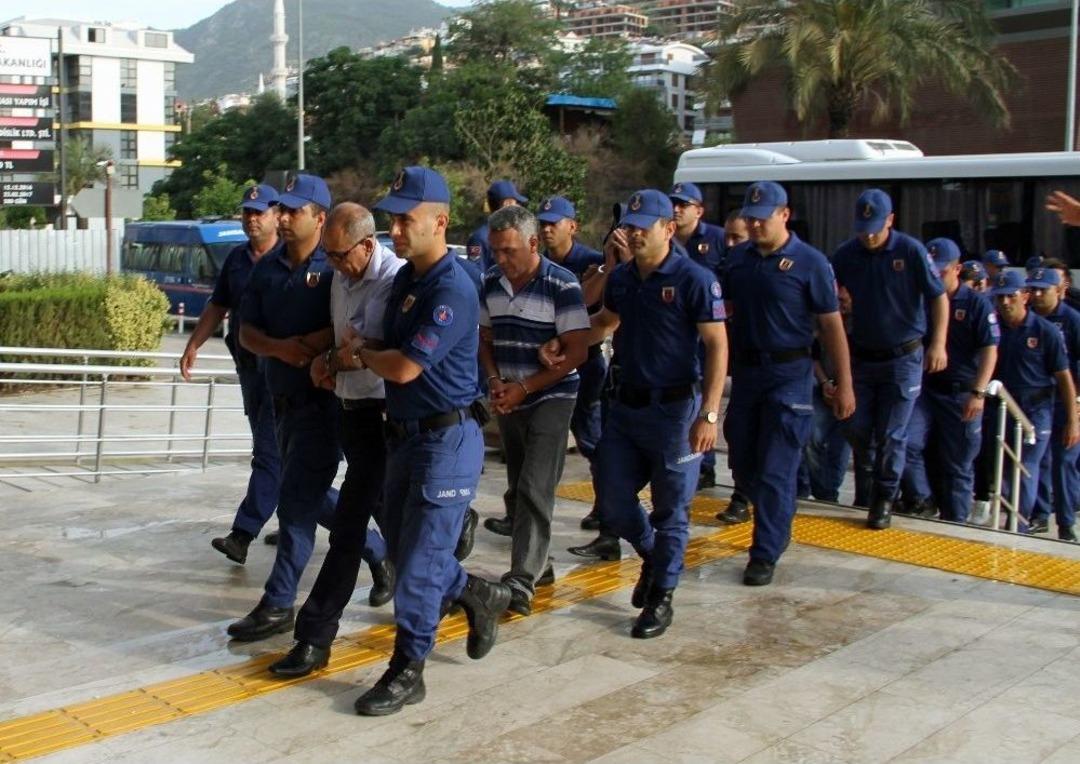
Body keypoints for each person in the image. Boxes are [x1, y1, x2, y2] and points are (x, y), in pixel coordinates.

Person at [347, 166, 511, 716]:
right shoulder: (406, 282)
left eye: (406, 219)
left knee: (416, 569)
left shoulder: (451, 287)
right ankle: (476, 593)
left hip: (447, 440)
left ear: (440, 222)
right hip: (404, 439)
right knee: (403, 550)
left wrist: (361, 355)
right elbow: (384, 343)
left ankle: (407, 670)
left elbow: (405, 367)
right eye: (393, 218)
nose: (396, 229)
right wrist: (362, 347)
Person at [230, 175, 389, 642]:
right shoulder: (267, 267)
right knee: (304, 494)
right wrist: (282, 350)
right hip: (277, 398)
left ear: (320, 218)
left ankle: (279, 603)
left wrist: (311, 349)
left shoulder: (336, 268)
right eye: (280, 210)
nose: (281, 218)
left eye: (292, 211)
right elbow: (246, 332)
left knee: (296, 503)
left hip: (324, 402)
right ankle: (377, 550)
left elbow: (348, 326)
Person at [267, 203, 402, 677]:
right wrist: (331, 359)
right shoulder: (343, 275)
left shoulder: (392, 280)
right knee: (401, 532)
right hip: (351, 410)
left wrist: (329, 362)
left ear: (367, 246)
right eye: (328, 256)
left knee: (348, 530)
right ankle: (468, 591)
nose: (333, 266)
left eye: (340, 256)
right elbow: (343, 343)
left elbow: (366, 349)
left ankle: (314, 635)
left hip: (385, 418)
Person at [587, 189, 728, 639]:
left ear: (668, 229)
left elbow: (717, 345)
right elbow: (605, 322)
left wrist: (708, 413)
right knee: (612, 500)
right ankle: (652, 554)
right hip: (626, 408)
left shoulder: (694, 279)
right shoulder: (624, 278)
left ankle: (661, 595)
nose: (633, 235)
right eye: (628, 227)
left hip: (675, 411)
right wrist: (563, 343)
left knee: (672, 511)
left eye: (642, 227)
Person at [723, 181, 854, 585]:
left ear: (784, 215)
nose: (756, 226)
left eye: (763, 219)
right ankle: (777, 520)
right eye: (750, 219)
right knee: (743, 462)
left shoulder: (810, 262)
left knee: (778, 466)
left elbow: (832, 327)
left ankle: (765, 550)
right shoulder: (737, 261)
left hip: (789, 375)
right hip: (746, 374)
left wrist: (843, 382)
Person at [478, 205, 590, 615]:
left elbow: (578, 350)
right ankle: (539, 566)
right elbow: (484, 340)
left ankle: (521, 580)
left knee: (534, 487)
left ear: (531, 243)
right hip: (510, 395)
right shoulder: (490, 282)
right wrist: (495, 383)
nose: (501, 260)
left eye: (508, 251)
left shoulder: (561, 284)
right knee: (517, 484)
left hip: (551, 396)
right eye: (495, 252)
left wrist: (526, 387)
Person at [832, 188, 948, 530]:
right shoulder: (846, 255)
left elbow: (938, 297)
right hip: (864, 356)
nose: (868, 236)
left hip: (904, 356)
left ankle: (883, 497)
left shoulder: (910, 251)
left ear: (890, 221)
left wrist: (938, 343)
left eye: (875, 228)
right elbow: (828, 295)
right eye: (863, 228)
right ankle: (875, 479)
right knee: (855, 425)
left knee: (892, 434)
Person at [181, 184, 282, 564]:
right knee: (273, 451)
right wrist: (193, 345)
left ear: (276, 215)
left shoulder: (291, 259)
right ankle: (293, 520)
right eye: (246, 212)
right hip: (249, 371)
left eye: (259, 212)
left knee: (270, 454)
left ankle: (243, 532)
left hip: (282, 372)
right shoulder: (236, 260)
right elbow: (217, 305)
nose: (251, 219)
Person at [900, 238, 999, 523]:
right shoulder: (921, 299)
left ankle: (956, 524)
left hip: (961, 394)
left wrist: (979, 392)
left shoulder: (977, 304)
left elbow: (990, 350)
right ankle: (922, 498)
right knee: (905, 442)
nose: (934, 277)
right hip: (926, 390)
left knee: (958, 464)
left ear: (957, 270)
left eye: (940, 272)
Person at [984, 269, 1079, 531]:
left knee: (1027, 465)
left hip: (1037, 409)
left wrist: (1073, 420)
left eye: (1011, 296)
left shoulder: (1046, 331)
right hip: (1003, 407)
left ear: (1023, 297)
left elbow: (1064, 378)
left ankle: (1021, 524)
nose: (1005, 302)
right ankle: (1022, 516)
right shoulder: (995, 327)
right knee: (1003, 466)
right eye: (1000, 297)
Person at [669, 182, 726, 492]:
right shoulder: (663, 240)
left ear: (699, 210)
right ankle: (698, 464)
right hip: (679, 338)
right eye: (673, 204)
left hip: (708, 331)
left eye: (684, 205)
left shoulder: (716, 240)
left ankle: (706, 463)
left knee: (707, 393)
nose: (677, 209)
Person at [1026, 263, 1080, 542]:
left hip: (1069, 399)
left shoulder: (1071, 319)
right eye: (1032, 289)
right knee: (1041, 461)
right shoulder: (1028, 319)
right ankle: (1039, 515)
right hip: (1040, 401)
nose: (1036, 295)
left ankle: (1067, 522)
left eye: (1042, 290)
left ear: (1058, 291)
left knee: (1064, 462)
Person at [467, 179, 528, 273]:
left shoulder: (516, 234)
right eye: (516, 203)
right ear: (507, 204)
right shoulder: (480, 238)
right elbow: (475, 275)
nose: (518, 207)